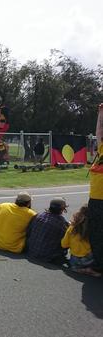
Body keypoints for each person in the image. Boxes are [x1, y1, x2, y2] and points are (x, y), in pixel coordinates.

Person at [61, 205, 101, 277]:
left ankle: (77, 269)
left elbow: (64, 244)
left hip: (74, 260)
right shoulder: (94, 229)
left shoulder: (72, 228)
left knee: (74, 264)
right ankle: (90, 269)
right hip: (90, 259)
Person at [26, 197, 69, 264]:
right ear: (62, 209)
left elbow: (29, 231)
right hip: (47, 256)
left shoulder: (38, 216)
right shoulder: (62, 223)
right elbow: (65, 243)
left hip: (31, 251)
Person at [88, 103, 103, 268]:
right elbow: (99, 132)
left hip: (98, 200)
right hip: (97, 200)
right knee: (97, 234)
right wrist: (100, 113)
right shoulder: (102, 150)